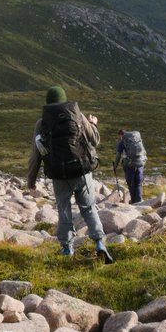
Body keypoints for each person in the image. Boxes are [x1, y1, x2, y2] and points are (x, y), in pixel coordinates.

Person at [26, 85, 114, 263]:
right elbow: (95, 140)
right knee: (88, 208)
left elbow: (36, 155)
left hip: (59, 174)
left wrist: (31, 180)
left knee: (64, 210)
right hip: (81, 171)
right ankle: (99, 243)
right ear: (64, 100)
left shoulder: (42, 123)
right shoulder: (78, 115)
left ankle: (67, 248)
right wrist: (93, 124)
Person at [114, 128, 147, 203]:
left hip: (129, 165)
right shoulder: (137, 139)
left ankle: (134, 201)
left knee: (131, 184)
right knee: (138, 183)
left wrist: (115, 166)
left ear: (121, 135)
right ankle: (139, 201)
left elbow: (118, 156)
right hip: (140, 164)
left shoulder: (122, 142)